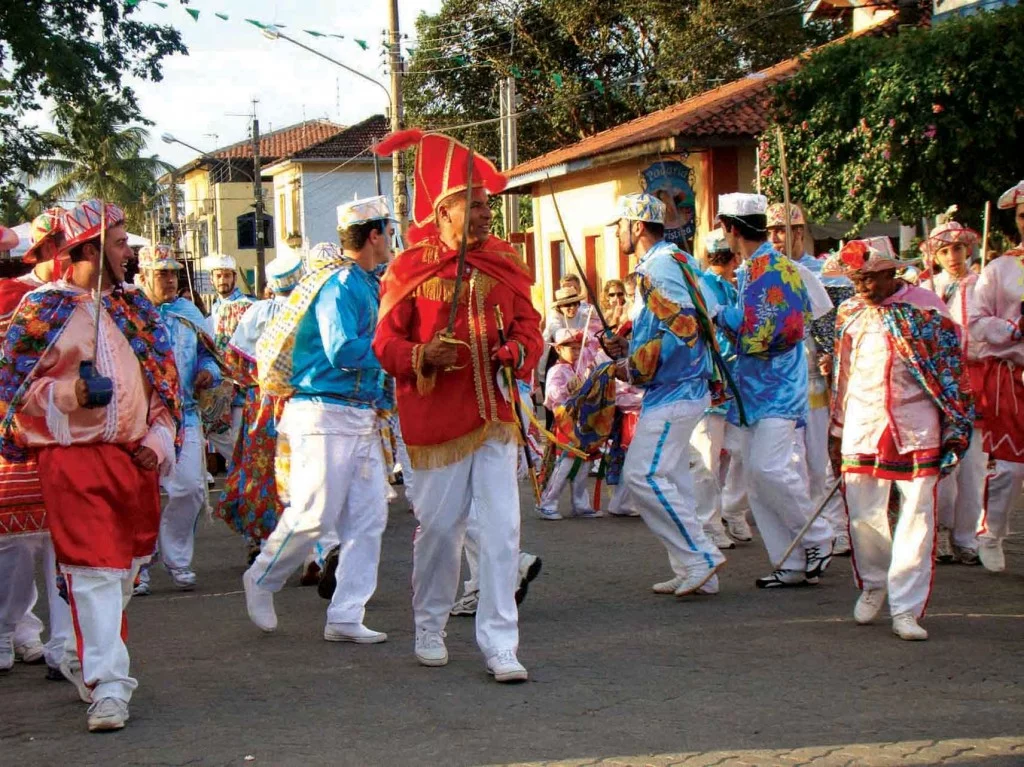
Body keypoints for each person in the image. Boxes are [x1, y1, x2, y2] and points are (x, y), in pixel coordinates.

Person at [0, 200, 182, 731]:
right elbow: (12, 395)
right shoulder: (41, 312)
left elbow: (164, 385)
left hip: (134, 462)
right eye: (121, 244)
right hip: (72, 461)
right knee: (95, 572)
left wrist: (161, 436)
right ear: (88, 249)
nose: (130, 254)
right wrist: (68, 393)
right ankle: (110, 686)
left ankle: (87, 653)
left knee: (120, 574)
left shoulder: (138, 311)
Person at [372, 128, 543, 682]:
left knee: (502, 532)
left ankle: (500, 642)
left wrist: (517, 349)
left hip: (495, 419)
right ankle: (429, 624)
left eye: (487, 205)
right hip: (435, 423)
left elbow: (529, 326)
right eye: (473, 204)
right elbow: (385, 346)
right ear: (443, 211)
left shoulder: (504, 262)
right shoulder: (408, 270)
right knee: (441, 529)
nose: (484, 214)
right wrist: (424, 354)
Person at [244, 199, 396, 644]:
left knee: (368, 518)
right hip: (323, 411)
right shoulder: (342, 284)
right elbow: (342, 349)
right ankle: (262, 577)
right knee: (314, 515)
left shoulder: (368, 283)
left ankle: (346, 614)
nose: (392, 239)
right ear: (374, 234)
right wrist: (400, 353)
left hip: (361, 413)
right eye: (389, 231)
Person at [828, 238, 973, 640]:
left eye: (870, 278)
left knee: (917, 516)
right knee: (862, 510)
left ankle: (906, 607)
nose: (862, 287)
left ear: (891, 272)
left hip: (916, 424)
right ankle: (875, 582)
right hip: (862, 421)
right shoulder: (850, 313)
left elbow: (949, 365)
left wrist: (951, 424)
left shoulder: (926, 308)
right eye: (857, 279)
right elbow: (842, 373)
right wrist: (837, 430)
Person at [601, 193, 725, 597]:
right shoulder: (678, 260)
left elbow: (685, 328)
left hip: (675, 389)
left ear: (636, 226)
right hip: (681, 389)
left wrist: (635, 366)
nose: (617, 234)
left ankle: (698, 558)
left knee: (642, 475)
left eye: (619, 225)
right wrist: (629, 350)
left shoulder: (658, 269)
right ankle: (695, 568)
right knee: (673, 479)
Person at [716, 193, 834, 589]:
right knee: (755, 475)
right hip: (750, 387)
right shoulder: (751, 270)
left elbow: (817, 314)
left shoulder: (783, 268)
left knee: (769, 467)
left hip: (781, 387)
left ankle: (817, 536)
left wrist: (718, 313)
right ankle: (790, 559)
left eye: (723, 227)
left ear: (732, 228)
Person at [0, 211, 75, 680]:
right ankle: (11, 629)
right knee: (16, 538)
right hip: (15, 432)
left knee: (63, 542)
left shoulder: (85, 297)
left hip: (66, 429)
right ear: (49, 251)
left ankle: (62, 643)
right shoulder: (13, 296)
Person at [133, 245, 220, 595]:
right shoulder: (130, 311)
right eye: (161, 273)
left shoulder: (189, 312)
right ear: (143, 276)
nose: (169, 280)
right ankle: (139, 564)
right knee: (141, 493)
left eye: (173, 273)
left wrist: (206, 373)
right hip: (140, 418)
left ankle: (178, 559)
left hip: (185, 413)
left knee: (191, 488)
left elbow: (209, 356)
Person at [766, 202, 847, 553]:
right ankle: (807, 532)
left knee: (822, 461)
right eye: (771, 232)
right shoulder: (767, 274)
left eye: (782, 230)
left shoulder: (826, 273)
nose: (776, 238)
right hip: (783, 385)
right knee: (790, 465)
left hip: (818, 382)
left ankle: (836, 526)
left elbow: (837, 329)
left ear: (799, 232)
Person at [215, 253, 304, 564]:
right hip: (300, 401)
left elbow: (232, 361)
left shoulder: (256, 313)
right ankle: (310, 552)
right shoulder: (306, 310)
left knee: (258, 471)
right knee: (303, 471)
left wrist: (252, 384)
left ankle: (257, 538)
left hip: (261, 403)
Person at [968, 179, 1024, 573]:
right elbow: (975, 321)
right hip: (1009, 375)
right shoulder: (1000, 268)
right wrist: (1014, 329)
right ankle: (990, 532)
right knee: (1009, 466)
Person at [921, 218, 984, 565]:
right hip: (940, 385)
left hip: (975, 381)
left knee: (974, 465)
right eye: (944, 250)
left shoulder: (983, 285)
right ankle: (941, 532)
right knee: (944, 463)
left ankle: (967, 536)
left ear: (968, 249)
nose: (952, 256)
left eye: (957, 248)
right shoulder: (925, 288)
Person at [691, 228, 748, 548]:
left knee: (741, 451)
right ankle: (707, 523)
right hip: (713, 378)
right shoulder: (705, 286)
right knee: (707, 456)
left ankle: (733, 509)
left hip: (737, 379)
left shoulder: (733, 286)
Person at [536, 329, 598, 520]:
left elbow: (594, 345)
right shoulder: (556, 371)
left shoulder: (581, 367)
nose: (576, 352)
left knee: (584, 465)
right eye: (571, 348)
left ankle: (580, 504)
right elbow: (552, 395)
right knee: (565, 464)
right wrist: (567, 389)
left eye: (579, 348)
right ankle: (547, 502)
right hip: (566, 423)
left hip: (583, 421)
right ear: (560, 350)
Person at [205, 254, 253, 465]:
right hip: (217, 385)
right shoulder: (213, 309)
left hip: (241, 385)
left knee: (238, 438)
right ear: (211, 279)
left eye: (226, 276)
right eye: (218, 276)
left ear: (234, 277)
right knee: (211, 429)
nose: (222, 280)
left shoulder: (248, 305)